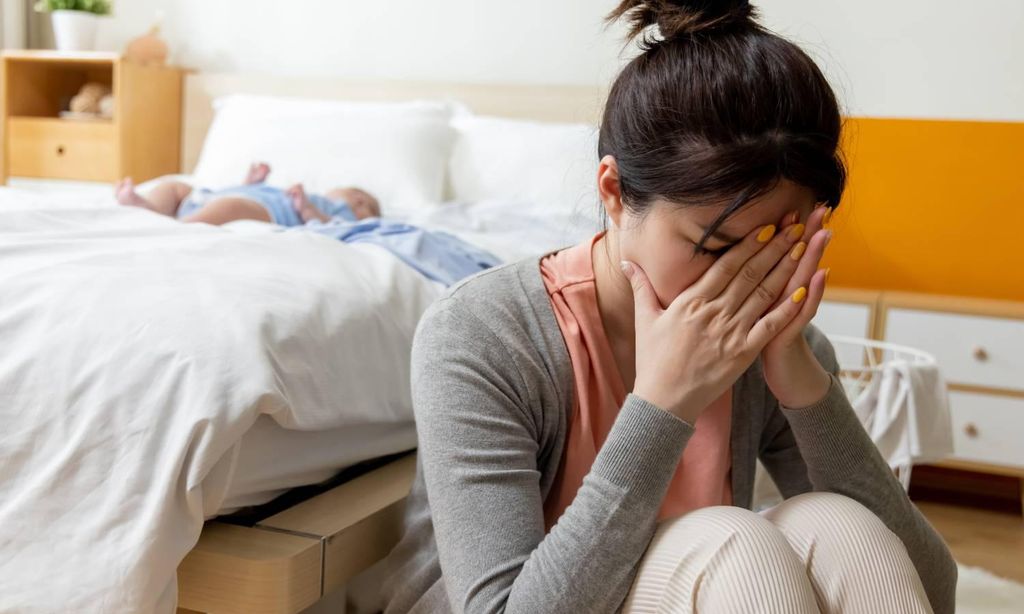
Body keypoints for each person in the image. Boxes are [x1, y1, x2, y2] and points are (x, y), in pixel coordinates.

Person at [379, 2, 956, 614]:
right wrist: (662, 405)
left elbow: (932, 587)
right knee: (732, 540)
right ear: (615, 195)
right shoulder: (483, 334)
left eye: (779, 244)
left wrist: (807, 387)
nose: (743, 280)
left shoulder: (770, 348)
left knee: (841, 525)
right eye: (713, 246)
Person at [114, 162, 380, 225]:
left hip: (266, 211)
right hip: (217, 196)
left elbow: (331, 227)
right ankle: (146, 206)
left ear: (359, 201)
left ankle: (179, 226)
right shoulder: (327, 199)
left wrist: (307, 209)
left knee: (230, 208)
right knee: (175, 187)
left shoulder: (341, 210)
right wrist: (252, 182)